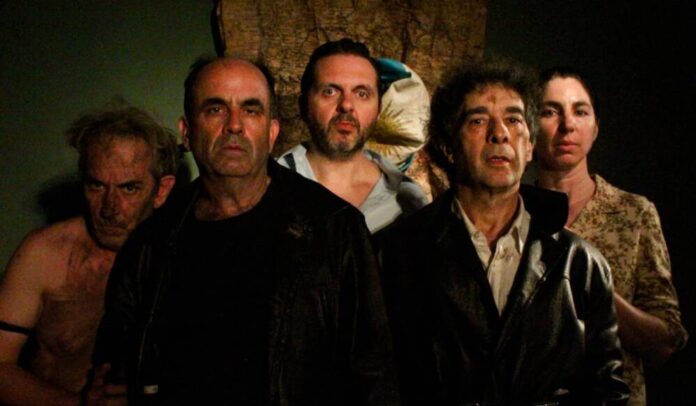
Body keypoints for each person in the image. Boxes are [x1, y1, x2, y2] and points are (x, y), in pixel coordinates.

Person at [94, 57, 398, 405]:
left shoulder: (334, 228)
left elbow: (375, 375)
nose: (234, 125)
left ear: (272, 132)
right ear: (187, 132)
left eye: (251, 110)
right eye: (215, 109)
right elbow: (116, 363)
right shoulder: (153, 243)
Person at [377, 59, 630, 405]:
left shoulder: (582, 264)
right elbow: (376, 380)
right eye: (478, 120)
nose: (500, 134)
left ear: (530, 146)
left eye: (513, 120)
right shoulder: (397, 252)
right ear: (449, 146)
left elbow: (607, 391)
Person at [0, 106, 178, 405]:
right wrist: (79, 403)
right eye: (96, 185)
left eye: (129, 188)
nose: (109, 208)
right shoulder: (46, 253)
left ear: (161, 190)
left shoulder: (183, 259)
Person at [534, 67, 688, 406]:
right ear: (530, 125)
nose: (567, 125)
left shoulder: (633, 213)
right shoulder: (515, 215)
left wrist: (592, 286)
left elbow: (664, 342)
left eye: (580, 111)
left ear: (595, 128)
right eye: (550, 111)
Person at [278, 38, 428, 233]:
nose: (347, 105)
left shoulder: (409, 203)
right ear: (303, 106)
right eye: (330, 91)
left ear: (378, 111)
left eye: (362, 94)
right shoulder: (269, 190)